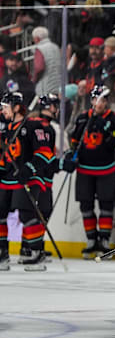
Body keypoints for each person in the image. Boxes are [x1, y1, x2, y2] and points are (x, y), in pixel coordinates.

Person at [0, 92, 56, 271]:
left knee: (27, 214)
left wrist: (29, 169)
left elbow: (45, 154)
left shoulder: (33, 126)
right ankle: (3, 253)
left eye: (5, 106)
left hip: (28, 178)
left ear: (16, 108)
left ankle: (36, 252)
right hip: (8, 177)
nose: (2, 110)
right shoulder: (6, 129)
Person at [69, 85, 115, 258]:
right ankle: (91, 240)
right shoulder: (82, 118)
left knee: (106, 206)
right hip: (85, 169)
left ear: (106, 102)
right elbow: (73, 141)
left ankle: (105, 241)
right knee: (86, 206)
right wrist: (72, 153)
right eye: (95, 99)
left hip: (106, 169)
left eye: (101, 100)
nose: (97, 103)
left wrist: (107, 131)